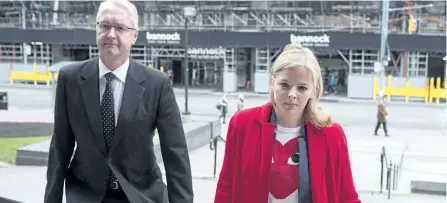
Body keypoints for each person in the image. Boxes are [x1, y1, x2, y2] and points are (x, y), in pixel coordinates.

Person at [44, 1, 193, 203]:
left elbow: (176, 155)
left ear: (135, 35)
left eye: (120, 28)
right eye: (105, 26)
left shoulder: (157, 84)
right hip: (85, 194)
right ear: (96, 29)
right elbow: (60, 148)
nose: (111, 34)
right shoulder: (69, 78)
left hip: (141, 194)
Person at [214, 43, 361, 203]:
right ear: (273, 82)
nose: (292, 94)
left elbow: (348, 197)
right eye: (285, 85)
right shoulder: (242, 124)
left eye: (302, 88)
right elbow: (226, 188)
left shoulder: (331, 134)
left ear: (314, 89)